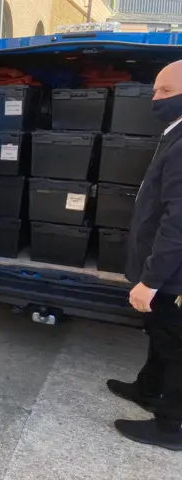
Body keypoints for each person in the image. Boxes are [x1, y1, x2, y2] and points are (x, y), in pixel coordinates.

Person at [109, 60, 182, 451]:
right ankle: (148, 389)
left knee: (175, 346)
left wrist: (151, 280)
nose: (156, 98)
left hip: (172, 276)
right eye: (156, 90)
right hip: (165, 273)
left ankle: (172, 426)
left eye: (166, 91)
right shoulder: (174, 135)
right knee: (159, 333)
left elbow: (179, 224)